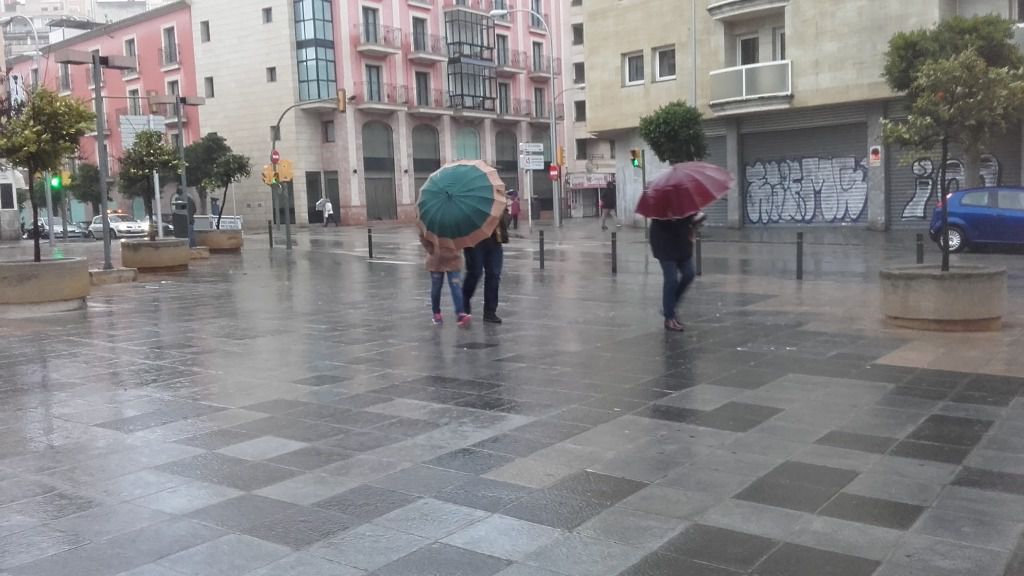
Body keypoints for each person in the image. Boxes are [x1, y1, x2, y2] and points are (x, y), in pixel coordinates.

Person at [649, 214, 698, 332]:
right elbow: (656, 220)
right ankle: (669, 318)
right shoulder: (660, 201)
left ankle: (668, 306)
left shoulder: (685, 199)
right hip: (664, 242)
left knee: (689, 273)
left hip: (682, 242)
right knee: (671, 279)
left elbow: (692, 218)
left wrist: (696, 220)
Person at [463, 204, 510, 324]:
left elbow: (505, 211)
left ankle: (490, 311)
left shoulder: (494, 190)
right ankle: (464, 302)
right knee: (475, 272)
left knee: (494, 274)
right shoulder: (468, 194)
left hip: (495, 239)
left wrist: (503, 216)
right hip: (475, 240)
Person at [421, 233, 471, 327]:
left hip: (453, 259)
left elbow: (464, 235)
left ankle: (460, 313)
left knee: (456, 287)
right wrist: (430, 249)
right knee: (436, 287)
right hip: (436, 260)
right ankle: (436, 313)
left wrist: (458, 248)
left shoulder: (456, 220)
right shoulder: (432, 220)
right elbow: (422, 234)